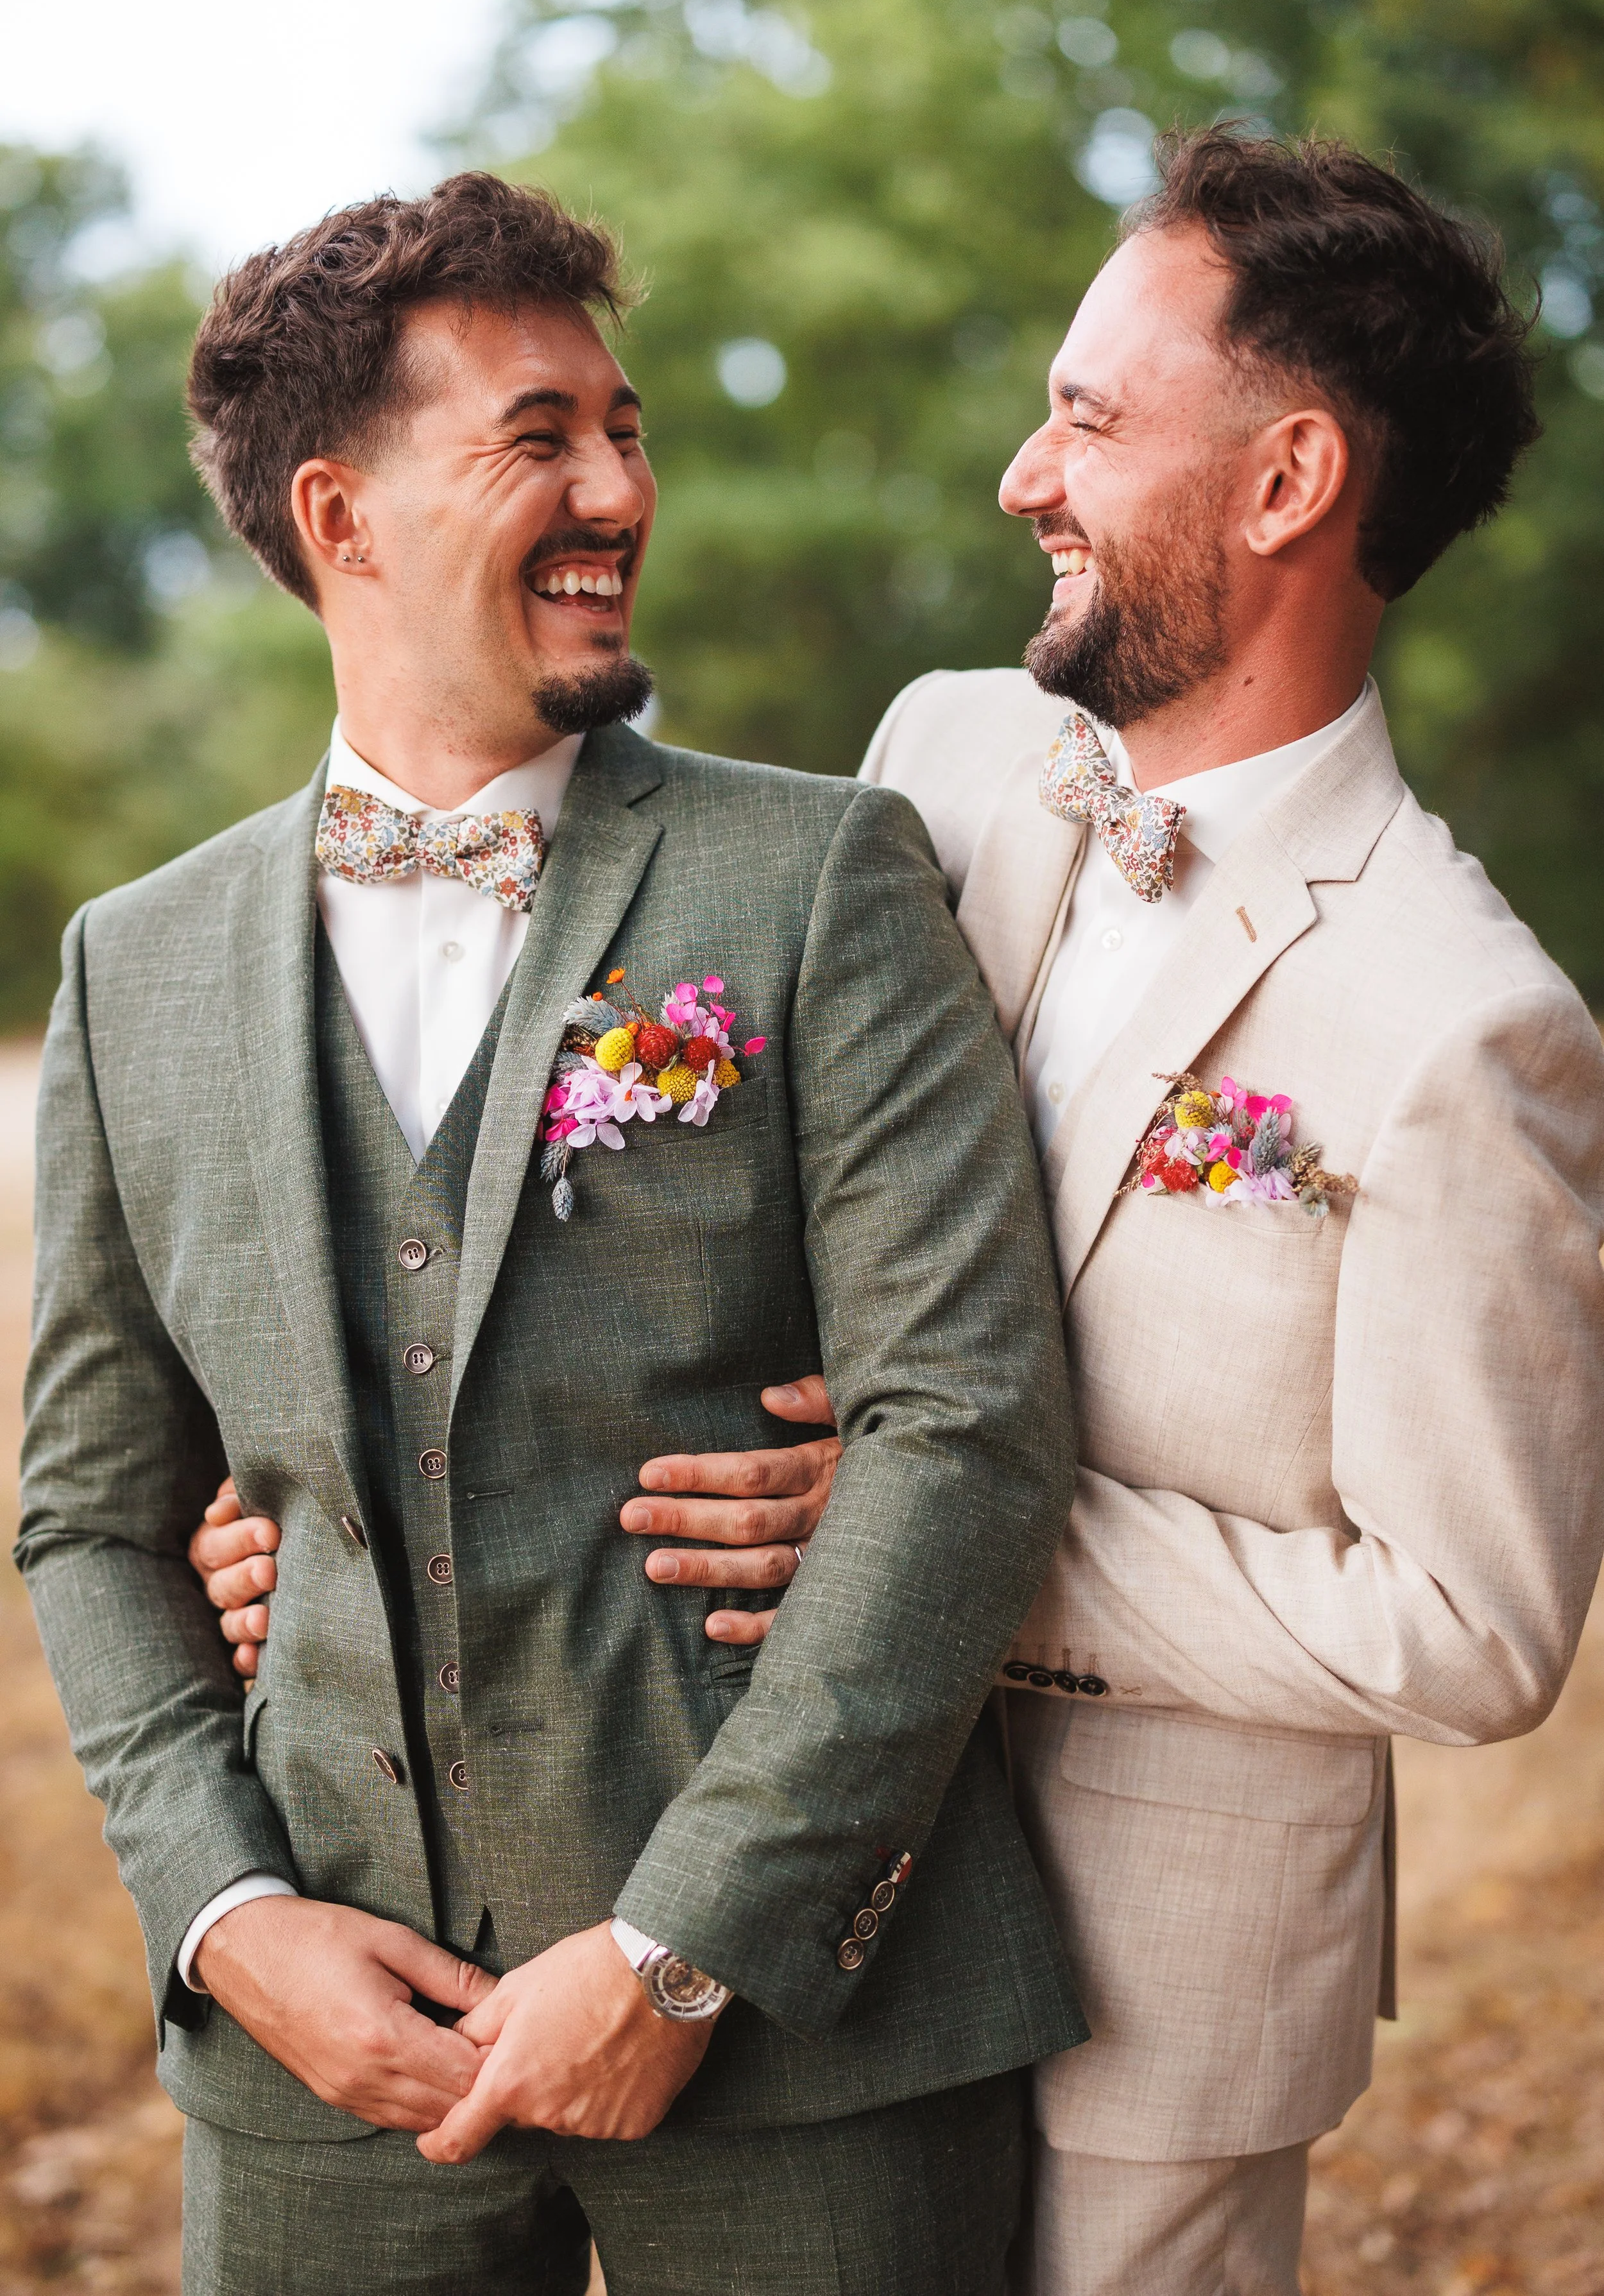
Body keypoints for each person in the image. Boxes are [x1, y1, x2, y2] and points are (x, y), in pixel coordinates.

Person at [192, 130, 1604, 2290]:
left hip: (1156, 1973)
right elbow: (700, 1245)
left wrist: (952, 1526)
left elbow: (1475, 1624)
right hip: (755, 1878)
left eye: (1090, 416)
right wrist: (344, 1511)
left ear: (1288, 478)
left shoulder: (1465, 1023)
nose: (1023, 476)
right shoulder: (938, 760)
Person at [15, 172, 1089, 2296]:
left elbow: (961, 1423)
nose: (621, 487)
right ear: (338, 516)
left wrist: (688, 1948)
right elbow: (85, 1515)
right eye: (538, 436)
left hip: (813, 2046)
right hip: (325, 2076)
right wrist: (230, 1919)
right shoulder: (127, 968)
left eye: (627, 425)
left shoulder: (817, 881)